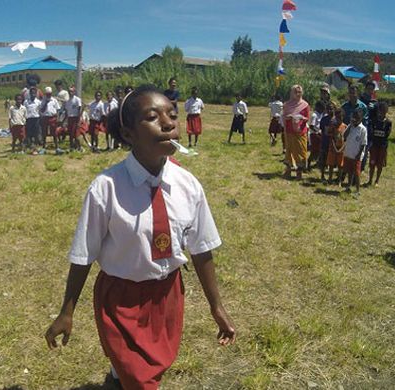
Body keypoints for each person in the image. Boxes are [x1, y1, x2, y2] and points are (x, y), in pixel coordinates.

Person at [44, 85, 236, 389]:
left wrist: (217, 307)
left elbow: (201, 249)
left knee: (142, 371)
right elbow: (84, 254)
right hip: (121, 300)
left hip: (168, 297)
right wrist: (66, 311)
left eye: (172, 115)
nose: (169, 122)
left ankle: (116, 378)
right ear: (129, 134)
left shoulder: (188, 185)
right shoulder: (106, 188)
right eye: (152, 116)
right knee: (141, 380)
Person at [282, 85, 310, 179]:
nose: (298, 94)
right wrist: (288, 117)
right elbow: (284, 116)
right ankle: (288, 170)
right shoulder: (286, 104)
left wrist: (301, 118)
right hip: (289, 131)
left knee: (301, 152)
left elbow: (307, 118)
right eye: (296, 92)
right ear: (292, 93)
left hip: (300, 132)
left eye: (300, 92)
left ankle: (299, 172)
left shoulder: (305, 105)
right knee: (289, 150)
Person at [340, 109, 368, 195]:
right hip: (348, 153)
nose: (355, 119)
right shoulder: (350, 126)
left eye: (357, 118)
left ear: (361, 119)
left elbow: (363, 143)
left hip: (356, 155)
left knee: (356, 173)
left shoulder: (362, 129)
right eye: (354, 117)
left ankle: (357, 190)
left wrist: (359, 155)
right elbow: (344, 136)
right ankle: (348, 187)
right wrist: (350, 126)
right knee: (349, 171)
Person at [367, 102, 391, 186]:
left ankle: (377, 180)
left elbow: (387, 134)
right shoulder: (374, 121)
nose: (382, 113)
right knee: (372, 163)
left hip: (382, 146)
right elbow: (371, 132)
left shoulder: (388, 122)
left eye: (384, 111)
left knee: (380, 164)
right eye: (381, 111)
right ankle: (370, 180)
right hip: (374, 145)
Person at [325, 107, 346, 184]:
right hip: (332, 147)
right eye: (337, 117)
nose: (339, 119)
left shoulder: (345, 127)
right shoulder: (333, 126)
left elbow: (346, 138)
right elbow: (328, 133)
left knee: (340, 165)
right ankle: (330, 179)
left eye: (341, 117)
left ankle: (339, 180)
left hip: (341, 148)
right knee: (331, 164)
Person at [40, 87, 62, 153]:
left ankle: (57, 148)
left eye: (49, 94)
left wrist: (58, 118)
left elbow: (58, 110)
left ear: (51, 93)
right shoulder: (43, 100)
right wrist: (46, 103)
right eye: (47, 94)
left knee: (54, 133)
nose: (48, 95)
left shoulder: (54, 100)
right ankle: (44, 148)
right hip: (45, 117)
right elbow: (42, 110)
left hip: (53, 118)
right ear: (45, 94)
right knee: (44, 133)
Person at [23, 87, 42, 155]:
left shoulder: (38, 102)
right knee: (29, 134)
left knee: (36, 134)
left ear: (36, 93)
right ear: (30, 93)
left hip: (36, 119)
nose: (33, 94)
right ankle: (30, 146)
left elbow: (40, 111)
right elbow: (24, 111)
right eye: (32, 93)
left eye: (34, 93)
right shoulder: (26, 102)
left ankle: (36, 147)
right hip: (29, 119)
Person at [308, 101, 324, 171]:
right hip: (314, 135)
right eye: (321, 108)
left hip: (319, 134)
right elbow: (311, 126)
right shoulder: (314, 115)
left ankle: (318, 163)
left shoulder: (321, 114)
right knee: (314, 150)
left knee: (319, 150)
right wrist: (317, 132)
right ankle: (308, 164)